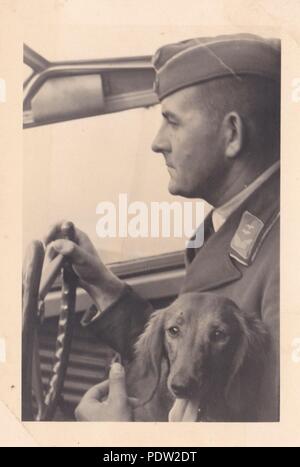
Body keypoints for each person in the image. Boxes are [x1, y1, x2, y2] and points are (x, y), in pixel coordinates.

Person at [45, 33, 280, 421]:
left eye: (172, 121)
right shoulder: (235, 221)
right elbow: (192, 341)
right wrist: (105, 288)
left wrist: (123, 443)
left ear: (232, 134)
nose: (157, 142)